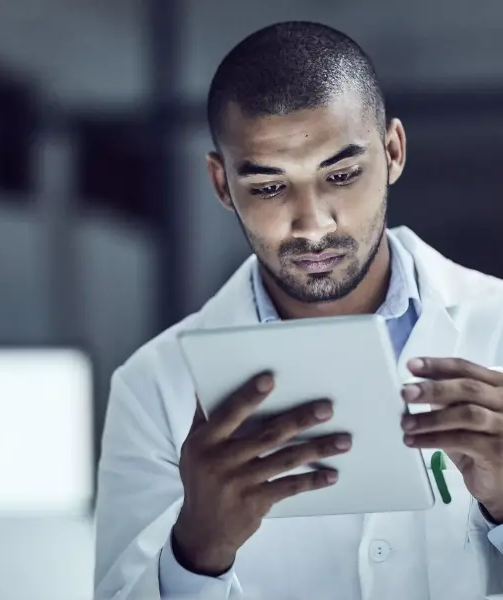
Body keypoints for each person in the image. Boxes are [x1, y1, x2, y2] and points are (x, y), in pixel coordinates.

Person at [94, 21, 503, 600]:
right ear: (221, 183)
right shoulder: (153, 387)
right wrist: (195, 555)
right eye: (268, 187)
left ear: (392, 152)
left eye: (340, 175)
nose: (313, 223)